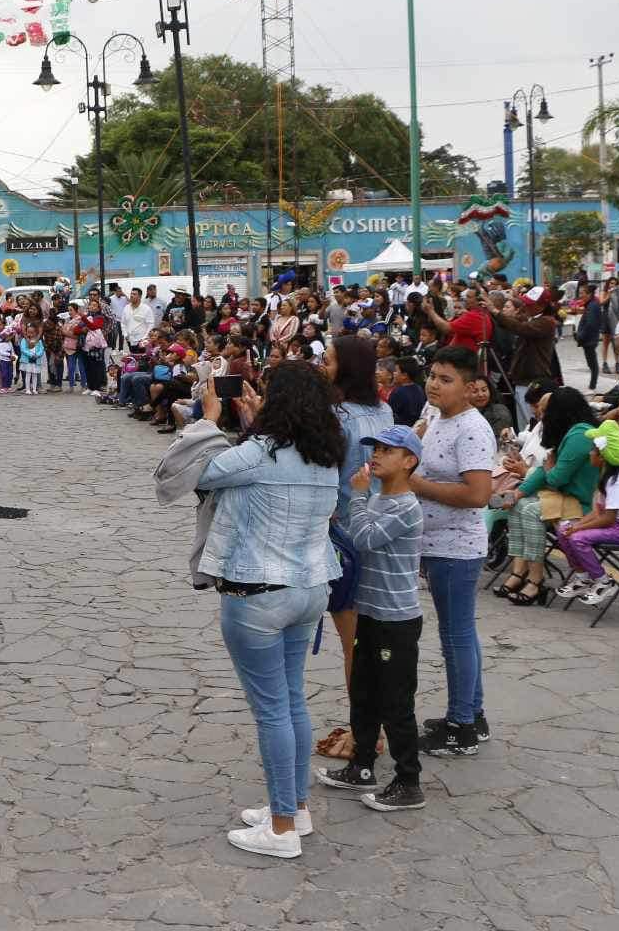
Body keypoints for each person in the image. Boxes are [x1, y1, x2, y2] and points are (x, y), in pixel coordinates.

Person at [191, 364, 344, 859]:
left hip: (257, 590)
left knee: (272, 709)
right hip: (311, 587)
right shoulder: (327, 457)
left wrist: (209, 417)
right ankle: (294, 807)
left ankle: (280, 829)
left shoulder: (259, 453)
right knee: (293, 699)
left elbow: (198, 471)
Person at [316, 425, 427, 813]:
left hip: (397, 621)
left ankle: (408, 781)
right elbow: (355, 532)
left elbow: (364, 539)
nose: (376, 455)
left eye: (387, 451)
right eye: (375, 448)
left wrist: (358, 498)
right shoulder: (380, 499)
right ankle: (362, 765)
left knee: (397, 703)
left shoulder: (407, 507)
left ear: (409, 461)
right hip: (371, 615)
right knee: (363, 694)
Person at [410, 346, 496, 756]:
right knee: (459, 634)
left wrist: (416, 485)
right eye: (432, 375)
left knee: (455, 637)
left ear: (469, 388)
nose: (434, 384)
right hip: (432, 543)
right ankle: (471, 714)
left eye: (446, 380)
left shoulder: (472, 429)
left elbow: (479, 494)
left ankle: (460, 726)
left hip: (456, 548)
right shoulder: (432, 416)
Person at [315, 334, 393, 764]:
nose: (324, 366)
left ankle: (367, 732)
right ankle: (372, 724)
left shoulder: (337, 414)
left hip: (346, 527)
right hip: (383, 525)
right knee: (374, 639)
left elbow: (327, 474)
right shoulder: (384, 409)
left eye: (328, 360)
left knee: (354, 642)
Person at [497, 387, 597, 606]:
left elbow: (555, 477)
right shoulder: (569, 432)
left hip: (579, 505)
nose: (539, 415)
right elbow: (545, 470)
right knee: (518, 504)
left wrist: (549, 468)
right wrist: (517, 492)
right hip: (562, 499)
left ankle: (535, 580)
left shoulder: (580, 435)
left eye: (544, 411)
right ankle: (518, 572)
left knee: (531, 510)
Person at [554, 421, 619, 606]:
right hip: (614, 524)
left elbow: (607, 518)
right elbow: (598, 512)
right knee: (564, 530)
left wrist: (579, 527)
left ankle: (604, 581)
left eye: (593, 450)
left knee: (577, 538)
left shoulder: (618, 482)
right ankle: (583, 577)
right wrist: (574, 526)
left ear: (602, 457)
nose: (590, 453)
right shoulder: (605, 477)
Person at [491, 287, 561, 431]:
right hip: (523, 379)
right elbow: (513, 322)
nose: (526, 306)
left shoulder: (546, 322)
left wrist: (496, 311)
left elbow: (520, 328)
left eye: (530, 303)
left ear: (542, 305)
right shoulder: (532, 318)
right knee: (524, 423)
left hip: (532, 380)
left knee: (530, 424)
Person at [574, 281, 606, 389]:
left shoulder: (592, 306)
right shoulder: (591, 305)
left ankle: (593, 385)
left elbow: (590, 324)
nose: (580, 295)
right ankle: (593, 384)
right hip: (589, 339)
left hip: (589, 339)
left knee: (592, 363)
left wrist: (580, 336)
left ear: (589, 294)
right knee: (591, 362)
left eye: (582, 293)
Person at [387, 356, 426, 427]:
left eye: (396, 371)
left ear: (404, 376)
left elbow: (388, 415)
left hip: (398, 430)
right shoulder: (419, 388)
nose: (394, 373)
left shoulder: (398, 393)